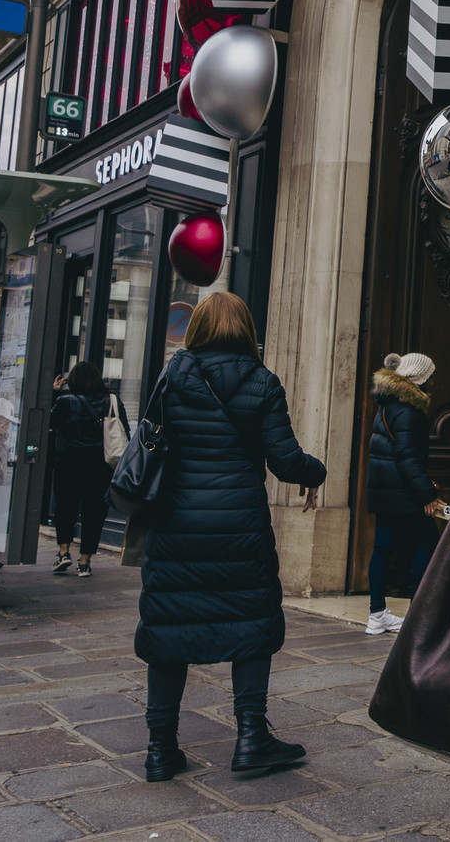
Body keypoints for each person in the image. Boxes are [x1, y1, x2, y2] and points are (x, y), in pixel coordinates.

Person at [134, 291, 327, 783]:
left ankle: (160, 749)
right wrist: (316, 472)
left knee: (168, 629)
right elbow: (286, 461)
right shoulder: (262, 382)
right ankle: (250, 739)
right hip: (238, 526)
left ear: (197, 328)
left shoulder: (170, 376)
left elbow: (151, 444)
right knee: (251, 624)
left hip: (176, 525)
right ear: (246, 330)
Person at [365, 351, 442, 634]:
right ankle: (419, 615)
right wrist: (427, 494)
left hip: (385, 492)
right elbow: (408, 458)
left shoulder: (388, 404)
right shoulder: (409, 410)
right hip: (402, 493)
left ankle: (377, 614)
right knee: (427, 543)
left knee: (382, 549)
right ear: (421, 379)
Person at [50, 361, 128, 577]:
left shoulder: (65, 401)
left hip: (68, 463)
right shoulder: (111, 400)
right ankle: (84, 563)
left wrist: (55, 394)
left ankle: (63, 552)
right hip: (100, 465)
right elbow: (125, 432)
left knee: (65, 507)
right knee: (94, 513)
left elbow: (50, 423)